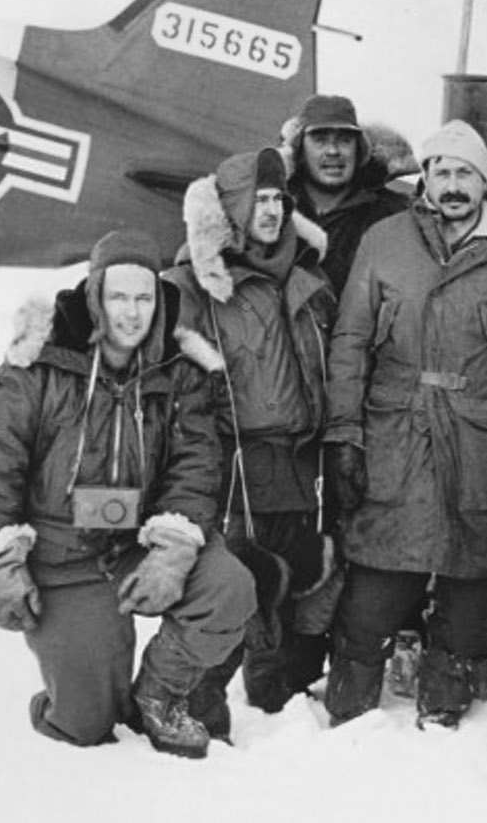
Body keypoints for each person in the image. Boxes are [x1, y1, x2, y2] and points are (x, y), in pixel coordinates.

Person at [0, 229, 255, 758]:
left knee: (228, 588)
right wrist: (2, 561)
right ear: (95, 294)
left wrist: (172, 551)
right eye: (118, 297)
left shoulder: (178, 370)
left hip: (140, 539)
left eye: (144, 298)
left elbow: (195, 465)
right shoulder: (40, 365)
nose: (131, 313)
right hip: (64, 549)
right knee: (84, 725)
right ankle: (82, 681)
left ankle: (159, 694)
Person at [322, 119, 487, 728]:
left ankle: (445, 704)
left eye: (464, 173)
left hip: (482, 438)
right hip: (394, 433)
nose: (452, 185)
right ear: (425, 178)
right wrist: (344, 434)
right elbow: (350, 341)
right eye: (441, 172)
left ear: (483, 181)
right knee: (375, 583)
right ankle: (350, 709)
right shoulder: (385, 240)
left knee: (470, 582)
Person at [163, 148, 343, 739]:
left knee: (294, 582)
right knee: (235, 588)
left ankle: (277, 707)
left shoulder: (310, 274)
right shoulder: (192, 284)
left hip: (299, 463)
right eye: (257, 200)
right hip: (232, 466)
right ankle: (199, 707)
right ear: (232, 209)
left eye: (277, 198)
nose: (271, 210)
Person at [280, 93, 412, 296]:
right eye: (320, 140)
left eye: (344, 140)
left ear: (359, 149)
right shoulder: (274, 208)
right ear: (299, 150)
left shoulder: (395, 215)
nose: (333, 150)